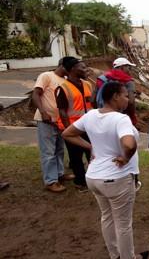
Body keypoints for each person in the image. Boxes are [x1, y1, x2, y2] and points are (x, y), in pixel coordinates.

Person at [62, 81, 148, 259]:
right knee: (123, 222)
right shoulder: (120, 119)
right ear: (115, 96)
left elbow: (67, 133)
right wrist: (126, 157)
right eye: (125, 95)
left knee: (107, 216)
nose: (128, 99)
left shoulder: (91, 115)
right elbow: (129, 144)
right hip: (116, 178)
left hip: (93, 177)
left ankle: (114, 252)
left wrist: (91, 146)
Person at [32, 59, 73, 192]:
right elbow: (36, 94)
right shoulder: (47, 76)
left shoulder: (66, 80)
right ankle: (51, 181)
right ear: (62, 66)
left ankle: (59, 174)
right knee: (48, 151)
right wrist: (43, 112)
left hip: (60, 121)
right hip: (46, 120)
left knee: (59, 149)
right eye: (70, 67)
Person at [56, 56, 93, 190]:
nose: (85, 69)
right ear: (72, 69)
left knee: (92, 153)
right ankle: (80, 182)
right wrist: (69, 130)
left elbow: (91, 106)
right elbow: (62, 112)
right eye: (82, 67)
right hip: (73, 129)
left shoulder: (87, 84)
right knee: (76, 157)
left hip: (88, 127)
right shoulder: (63, 88)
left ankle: (93, 178)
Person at [94, 57, 137, 126]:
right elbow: (131, 102)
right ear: (122, 67)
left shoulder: (102, 78)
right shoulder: (128, 81)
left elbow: (93, 99)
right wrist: (132, 118)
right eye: (128, 68)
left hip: (103, 116)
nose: (129, 70)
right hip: (120, 118)